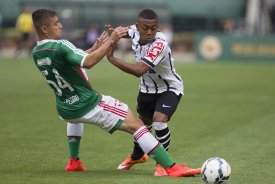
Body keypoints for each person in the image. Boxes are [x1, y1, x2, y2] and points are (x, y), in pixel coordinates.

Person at [31, 9, 200, 177]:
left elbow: (73, 59)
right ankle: (170, 167)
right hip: (88, 103)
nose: (60, 25)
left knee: (76, 119)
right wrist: (110, 42)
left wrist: (96, 47)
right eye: (56, 23)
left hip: (65, 109)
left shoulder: (36, 53)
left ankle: (74, 162)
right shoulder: (61, 45)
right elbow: (87, 62)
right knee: (138, 126)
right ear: (45, 29)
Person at [106, 9, 199, 177]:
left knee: (159, 121)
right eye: (145, 28)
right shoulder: (133, 31)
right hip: (147, 88)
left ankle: (162, 165)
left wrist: (112, 59)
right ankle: (137, 156)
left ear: (158, 27)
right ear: (137, 26)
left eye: (154, 28)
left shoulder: (160, 44)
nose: (149, 32)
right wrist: (112, 34)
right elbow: (121, 33)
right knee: (142, 125)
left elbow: (139, 70)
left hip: (169, 87)